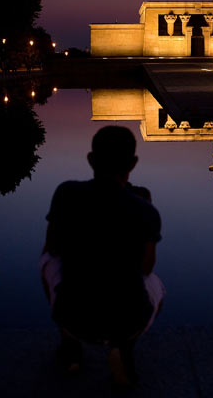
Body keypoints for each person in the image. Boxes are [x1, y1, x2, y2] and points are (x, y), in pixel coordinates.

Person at [40, 125, 165, 386]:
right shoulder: (144, 208)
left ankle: (71, 348)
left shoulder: (67, 193)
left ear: (91, 159)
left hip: (75, 316)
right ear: (133, 163)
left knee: (47, 260)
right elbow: (146, 267)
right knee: (157, 286)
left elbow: (52, 247)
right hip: (129, 319)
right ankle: (123, 349)